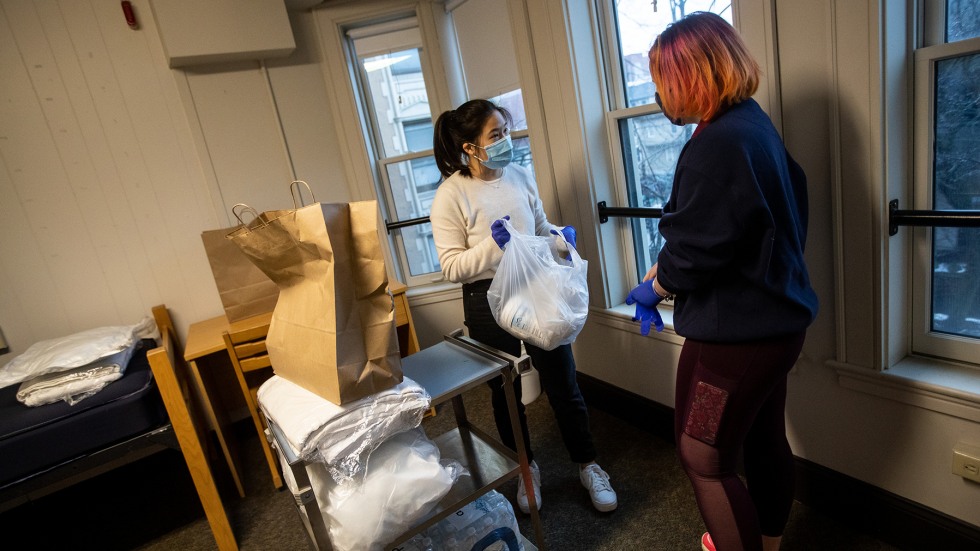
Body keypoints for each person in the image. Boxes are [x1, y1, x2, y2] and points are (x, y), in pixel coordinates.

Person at [625, 12, 819, 551]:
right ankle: (768, 541)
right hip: (776, 323)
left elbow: (695, 251)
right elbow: (746, 223)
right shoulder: (752, 124)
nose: (660, 95)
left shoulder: (717, 144)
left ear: (694, 76)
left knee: (703, 456)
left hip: (735, 342)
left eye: (664, 82)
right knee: (763, 437)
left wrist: (656, 286)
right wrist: (670, 267)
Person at [430, 99, 617, 514]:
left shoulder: (518, 175)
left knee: (564, 384)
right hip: (488, 302)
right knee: (506, 394)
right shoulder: (451, 195)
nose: (505, 142)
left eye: (506, 132)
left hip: (535, 292)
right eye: (495, 136)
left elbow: (538, 228)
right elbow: (451, 267)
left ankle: (588, 464)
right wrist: (491, 246)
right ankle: (524, 469)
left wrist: (558, 236)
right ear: (469, 148)